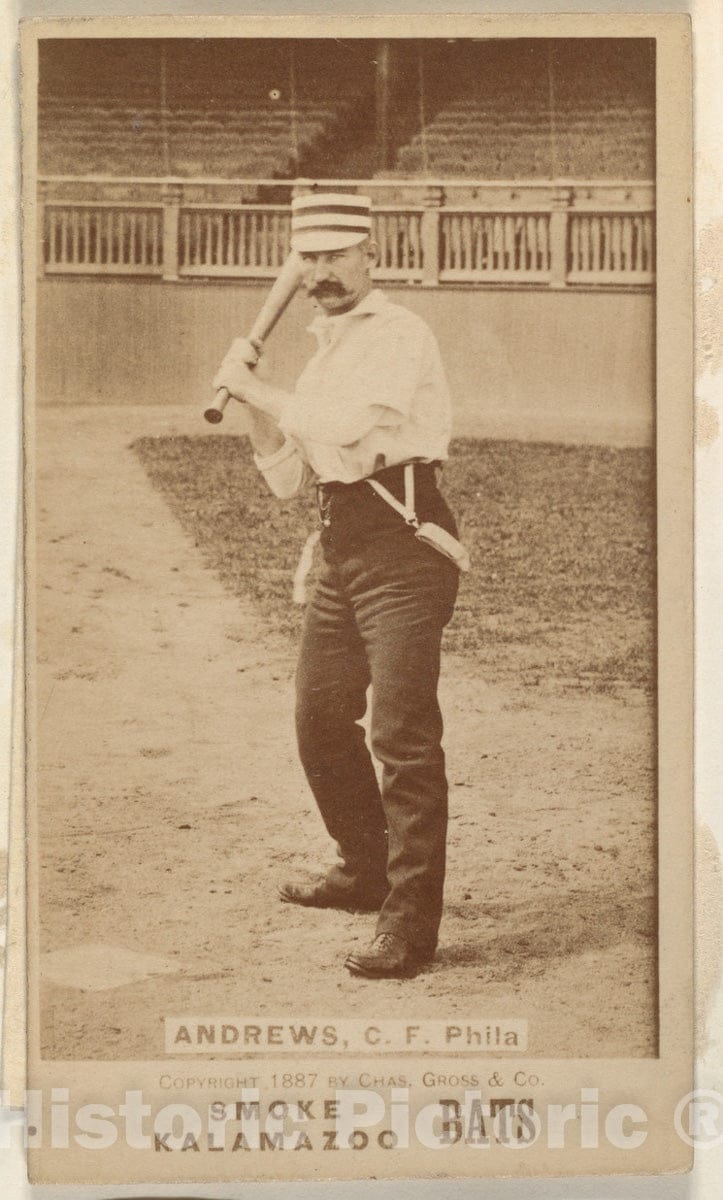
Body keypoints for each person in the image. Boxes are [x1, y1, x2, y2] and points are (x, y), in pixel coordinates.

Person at [213, 192, 465, 978]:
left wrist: (257, 392)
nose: (319, 272)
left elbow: (349, 431)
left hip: (405, 548)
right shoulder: (323, 350)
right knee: (318, 718)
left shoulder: (399, 333)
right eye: (308, 258)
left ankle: (409, 924)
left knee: (400, 736)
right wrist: (254, 400)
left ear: (370, 256)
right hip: (338, 549)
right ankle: (362, 869)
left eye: (335, 256)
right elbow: (289, 477)